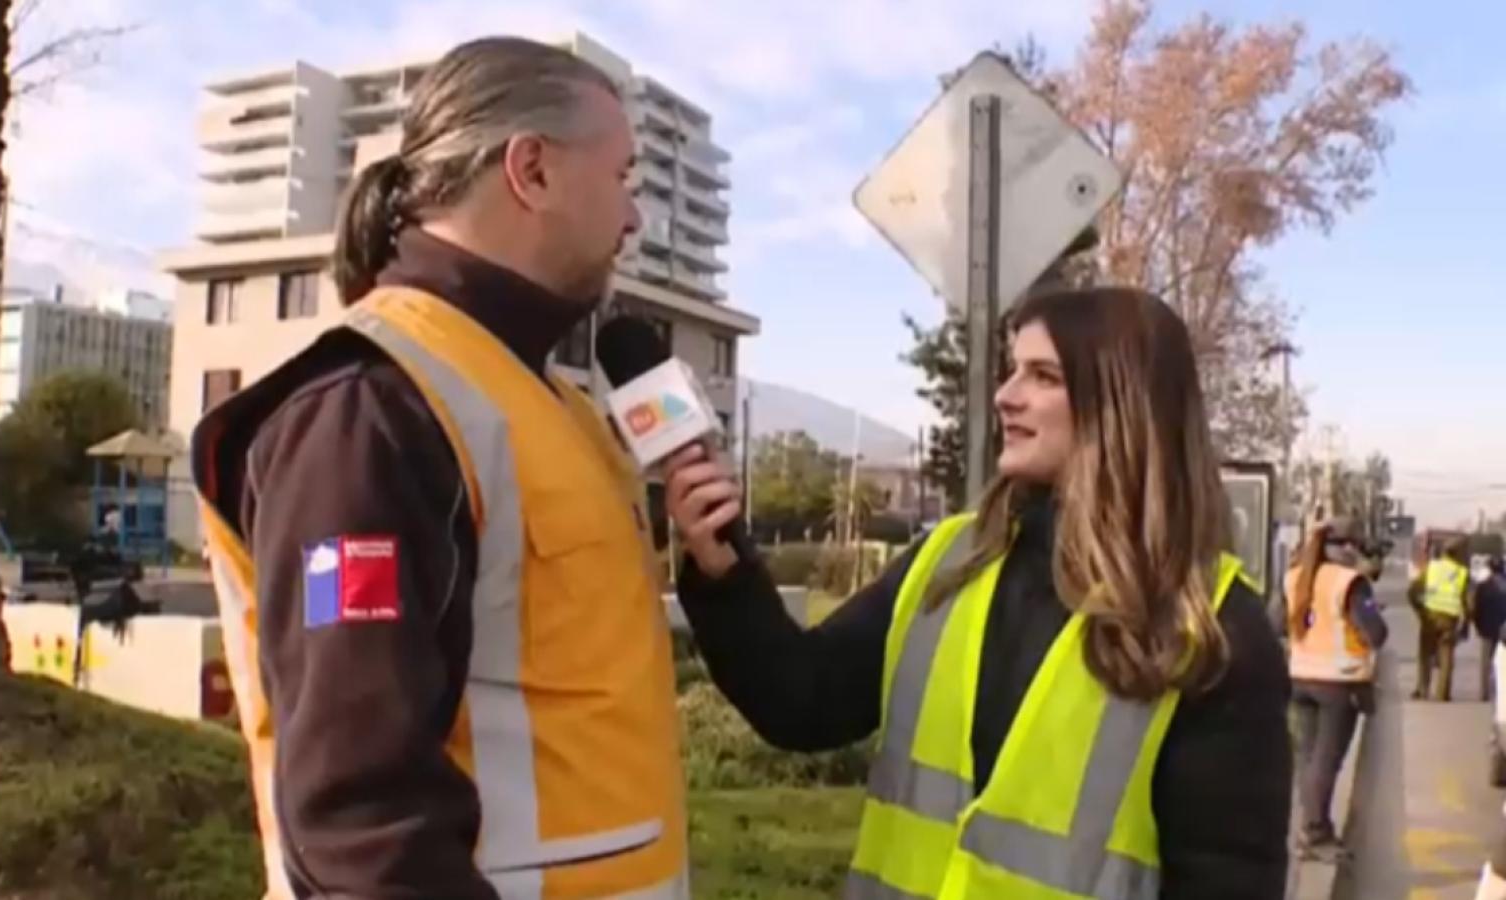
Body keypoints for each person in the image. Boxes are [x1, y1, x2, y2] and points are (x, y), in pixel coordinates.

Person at [191, 37, 689, 899]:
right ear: (530, 170)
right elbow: (360, 823)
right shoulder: (366, 411)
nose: (636, 218)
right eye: (623, 179)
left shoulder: (559, 406)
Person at [665, 288, 1292, 899]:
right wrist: (724, 573)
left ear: (1120, 406)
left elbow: (1228, 878)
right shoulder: (948, 561)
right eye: (1011, 370)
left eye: (1042, 376)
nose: (1005, 396)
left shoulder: (1210, 629)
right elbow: (800, 701)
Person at [1283, 517, 1388, 859]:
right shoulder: (1350, 583)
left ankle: (1311, 827)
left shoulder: (1295, 576)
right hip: (1339, 682)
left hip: (1300, 677)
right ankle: (1316, 834)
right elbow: (1376, 633)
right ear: (1348, 548)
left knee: (1309, 759)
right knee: (1326, 761)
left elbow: (1275, 622)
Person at [1411, 537, 1472, 702]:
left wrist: (1419, 610)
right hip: (1449, 620)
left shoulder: (1432, 568)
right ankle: (1442, 694)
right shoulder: (1462, 573)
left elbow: (1413, 590)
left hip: (1429, 617)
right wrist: (1466, 623)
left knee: (1425, 654)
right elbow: (1469, 602)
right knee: (1446, 658)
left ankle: (1422, 689)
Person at [1475, 556, 1506, 701]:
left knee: (1486, 663)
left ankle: (1484, 693)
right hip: (1502, 628)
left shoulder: (1483, 586)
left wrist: (1478, 625)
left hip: (1487, 628)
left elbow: (1477, 608)